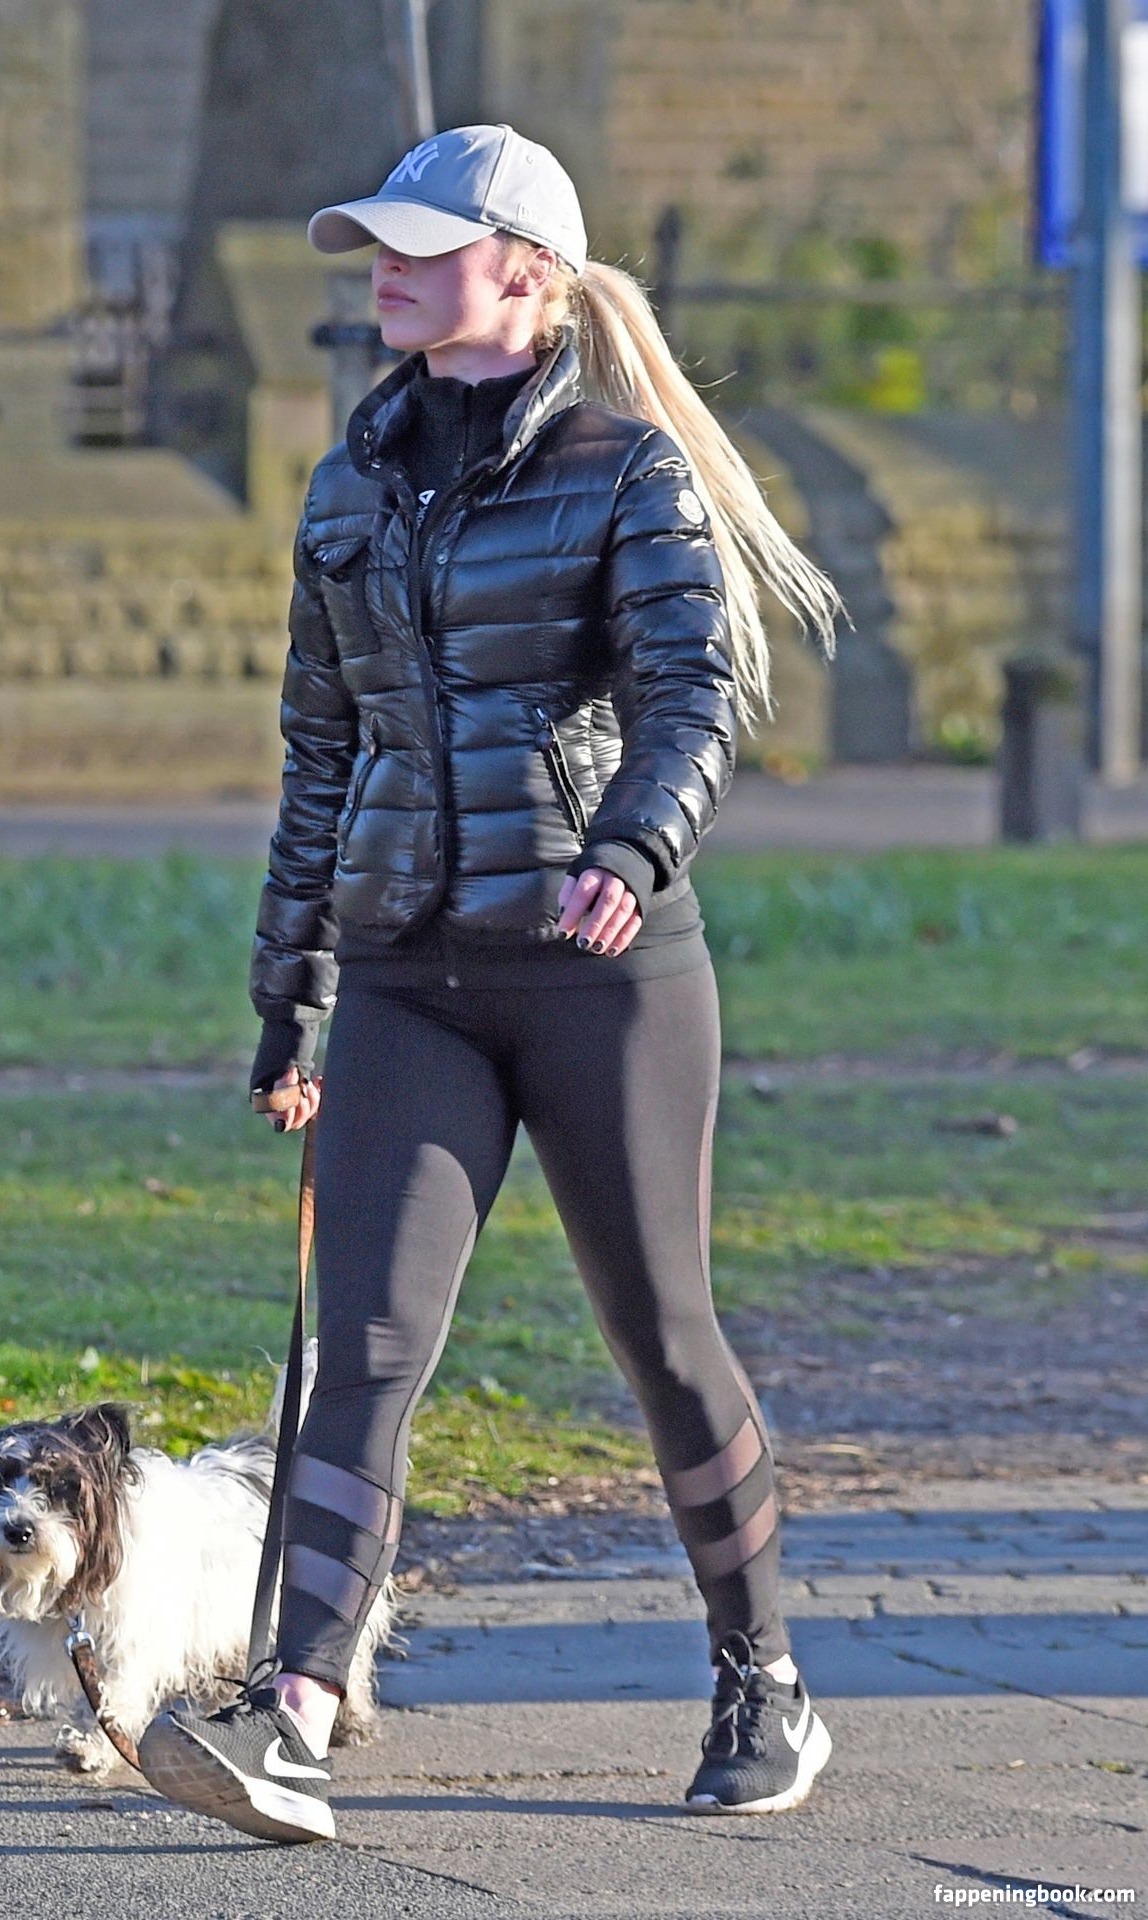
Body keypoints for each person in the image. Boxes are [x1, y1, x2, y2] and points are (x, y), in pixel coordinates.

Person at [138, 122, 845, 1846]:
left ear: (525, 273)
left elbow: (691, 694)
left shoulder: (625, 471)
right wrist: (293, 991)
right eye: (375, 246)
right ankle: (295, 1711)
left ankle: (764, 1681)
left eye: (421, 246)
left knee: (662, 1335)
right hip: (405, 975)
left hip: (602, 972)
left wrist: (636, 846)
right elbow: (321, 753)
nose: (384, 270)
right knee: (367, 1345)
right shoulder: (348, 484)